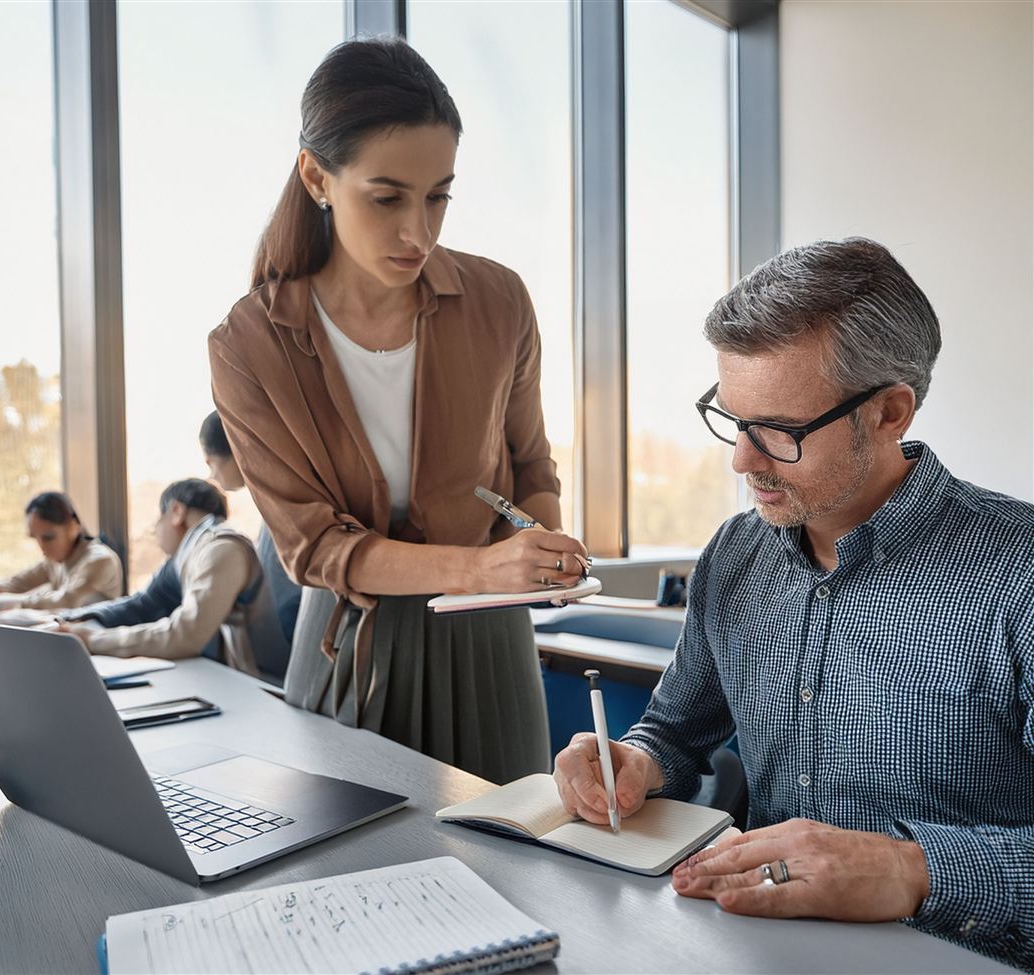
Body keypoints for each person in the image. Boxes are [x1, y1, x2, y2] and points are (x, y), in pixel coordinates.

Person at [553, 238, 1033, 970]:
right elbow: (674, 732)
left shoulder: (1019, 572)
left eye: (779, 430)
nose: (742, 460)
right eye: (732, 419)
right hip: (751, 949)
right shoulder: (734, 554)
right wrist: (634, 761)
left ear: (890, 412)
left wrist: (910, 869)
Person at [208, 37, 588, 785]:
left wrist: (540, 546)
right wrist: (480, 569)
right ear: (316, 176)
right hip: (351, 649)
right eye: (387, 198)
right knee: (348, 857)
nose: (419, 232)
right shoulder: (248, 344)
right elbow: (314, 549)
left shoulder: (500, 300)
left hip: (489, 645)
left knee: (510, 852)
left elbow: (531, 466)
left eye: (438, 196)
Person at [61, 479, 290, 680]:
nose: (155, 532)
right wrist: (71, 619)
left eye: (157, 521)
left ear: (177, 512)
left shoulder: (221, 548)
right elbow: (143, 603)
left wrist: (94, 640)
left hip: (264, 685)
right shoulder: (188, 553)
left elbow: (186, 634)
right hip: (233, 679)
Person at [200, 410, 301, 647]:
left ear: (236, 447)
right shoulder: (275, 499)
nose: (211, 475)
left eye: (210, 462)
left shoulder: (282, 503)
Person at [0, 491, 122, 610]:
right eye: (35, 538)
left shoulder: (100, 560)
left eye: (48, 537)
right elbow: (15, 583)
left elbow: (66, 601)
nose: (41, 547)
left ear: (73, 527)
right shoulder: (54, 562)